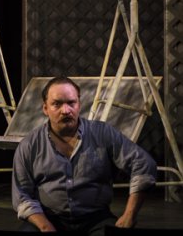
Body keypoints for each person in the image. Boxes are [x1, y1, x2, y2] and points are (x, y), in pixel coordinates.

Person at [12, 76, 157, 235]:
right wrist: (46, 227)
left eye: (71, 103)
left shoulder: (102, 133)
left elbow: (144, 164)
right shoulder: (29, 145)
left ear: (79, 105)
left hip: (96, 219)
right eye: (57, 104)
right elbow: (22, 195)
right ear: (45, 108)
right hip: (49, 219)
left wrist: (130, 215)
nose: (66, 110)